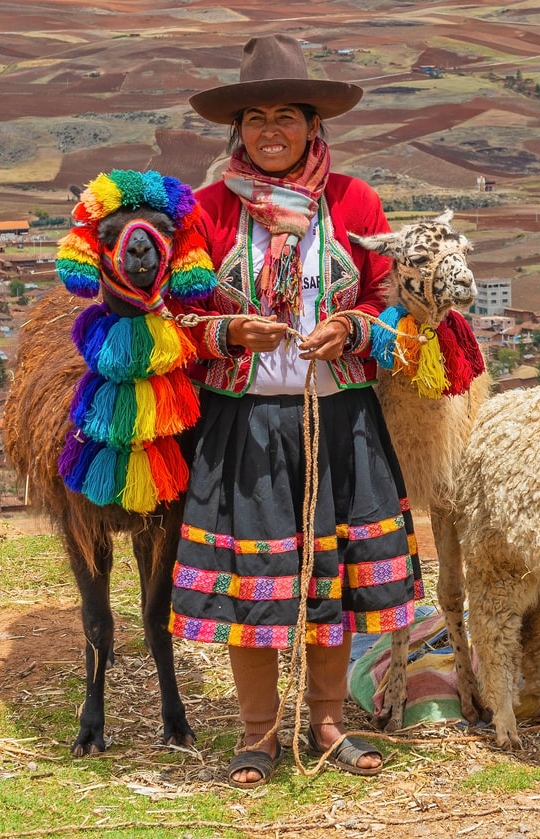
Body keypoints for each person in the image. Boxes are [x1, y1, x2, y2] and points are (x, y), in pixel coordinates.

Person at [167, 34, 422, 787]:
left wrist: (348, 327)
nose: (269, 131)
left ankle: (329, 720)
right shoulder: (209, 212)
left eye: (285, 116)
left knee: (329, 577)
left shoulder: (354, 203)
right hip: (244, 424)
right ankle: (258, 731)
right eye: (254, 118)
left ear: (315, 126)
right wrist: (227, 331)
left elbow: (387, 302)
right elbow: (173, 320)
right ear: (235, 131)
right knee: (254, 582)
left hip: (337, 415)